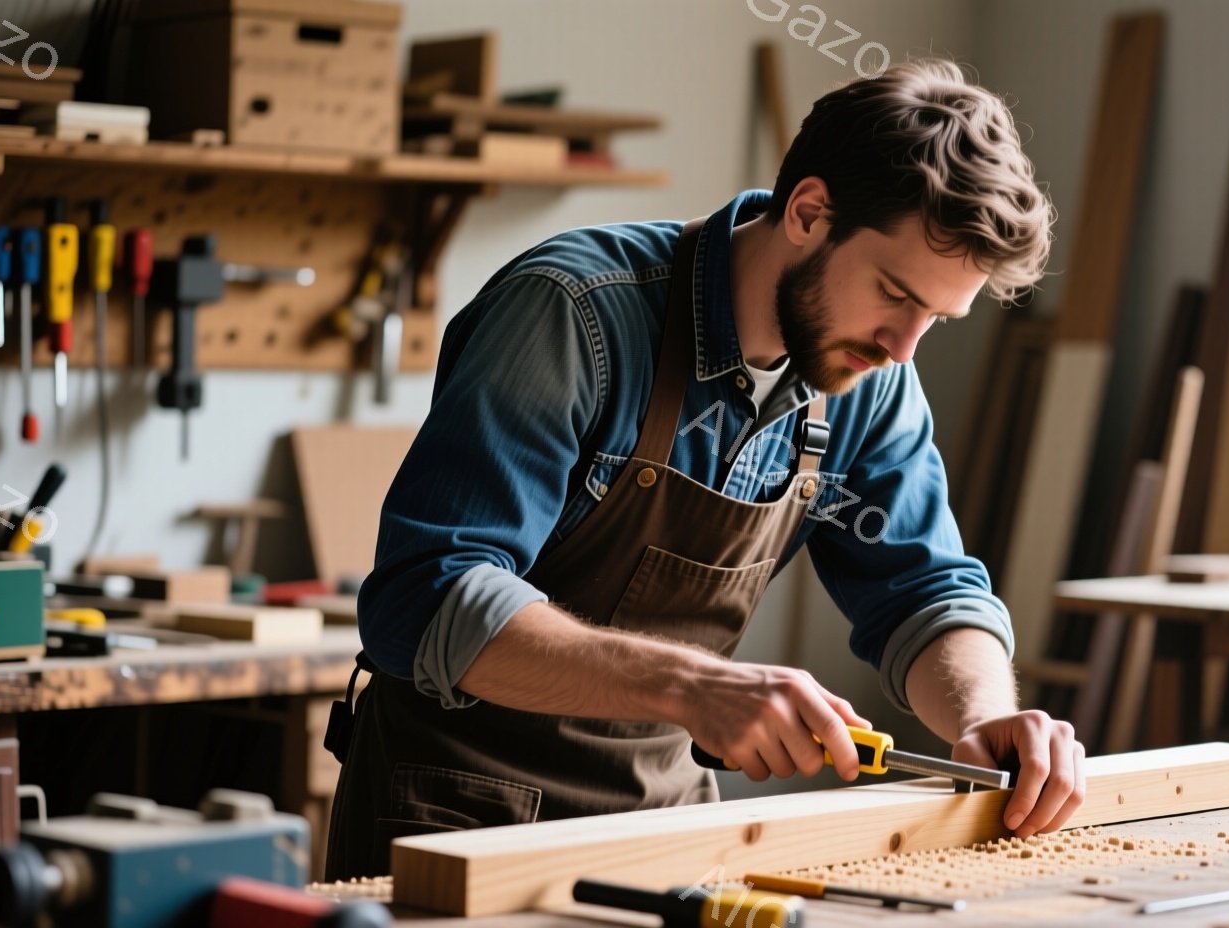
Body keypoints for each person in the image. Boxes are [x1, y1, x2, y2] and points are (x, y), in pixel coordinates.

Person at [325, 58, 1082, 880]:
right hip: (457, 814)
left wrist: (984, 716)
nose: (904, 347)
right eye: (895, 293)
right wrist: (693, 687)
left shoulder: (869, 379)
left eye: (937, 317)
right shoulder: (574, 313)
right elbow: (426, 597)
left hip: (662, 823)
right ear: (808, 211)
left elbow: (924, 593)